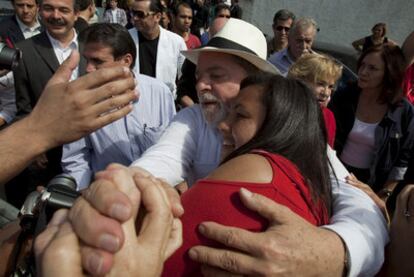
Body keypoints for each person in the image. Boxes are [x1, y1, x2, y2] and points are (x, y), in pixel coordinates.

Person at [67, 18, 387, 277]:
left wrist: (331, 254)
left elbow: (360, 204)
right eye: (199, 74)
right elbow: (152, 167)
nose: (201, 85)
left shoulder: (296, 130)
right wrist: (115, 196)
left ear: (257, 81)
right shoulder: (192, 120)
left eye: (216, 75)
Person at [162, 73, 332, 276]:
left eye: (241, 115)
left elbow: (155, 255)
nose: (222, 125)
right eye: (198, 74)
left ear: (279, 126)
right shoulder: (309, 186)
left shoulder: (256, 167)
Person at [61, 23, 176, 190]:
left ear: (126, 61)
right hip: (108, 199)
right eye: (87, 60)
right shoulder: (81, 102)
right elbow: (76, 159)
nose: (88, 68)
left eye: (98, 61)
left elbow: (171, 146)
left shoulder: (159, 93)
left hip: (157, 193)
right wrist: (84, 194)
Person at [329, 44, 414, 198]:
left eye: (372, 68)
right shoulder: (344, 96)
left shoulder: (403, 111)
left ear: (389, 74)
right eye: (362, 65)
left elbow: (403, 160)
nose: (363, 72)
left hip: (373, 185)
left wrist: (385, 195)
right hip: (335, 174)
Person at [128, 0, 187, 98]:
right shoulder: (126, 38)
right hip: (135, 103)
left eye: (140, 14)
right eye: (133, 13)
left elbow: (185, 78)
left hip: (166, 103)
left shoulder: (176, 42)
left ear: (157, 17)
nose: (134, 18)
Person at [288, 53, 343, 147]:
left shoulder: (328, 116)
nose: (326, 93)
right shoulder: (282, 105)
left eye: (330, 87)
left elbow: (326, 154)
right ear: (301, 79)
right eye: (320, 84)